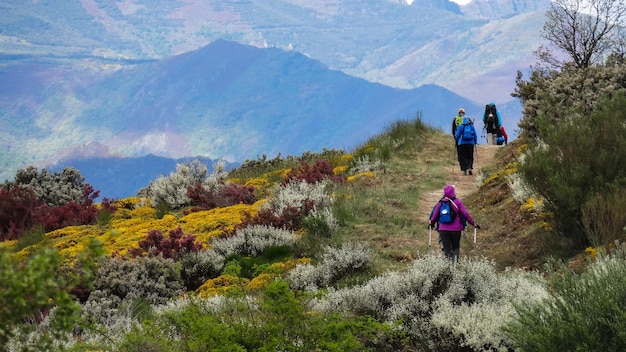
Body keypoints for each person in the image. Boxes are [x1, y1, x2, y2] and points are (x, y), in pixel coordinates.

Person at [429, 185, 479, 262]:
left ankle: (448, 267)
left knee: (447, 249)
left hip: (443, 229)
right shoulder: (458, 202)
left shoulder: (440, 203)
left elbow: (435, 215)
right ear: (453, 192)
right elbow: (465, 214)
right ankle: (454, 264)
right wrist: (473, 223)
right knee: (456, 247)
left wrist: (431, 223)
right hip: (456, 229)